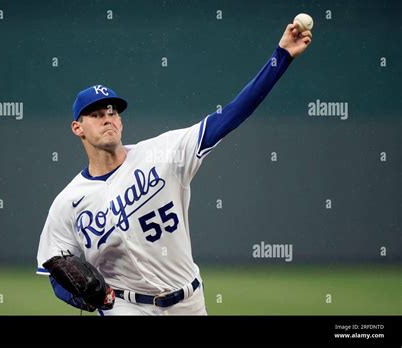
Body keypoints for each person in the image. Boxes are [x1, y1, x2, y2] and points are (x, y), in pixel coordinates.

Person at [36, 22, 312, 315]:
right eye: (96, 114)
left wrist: (281, 57)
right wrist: (85, 300)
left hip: (189, 302)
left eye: (112, 112)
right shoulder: (68, 203)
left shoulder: (163, 153)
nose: (108, 119)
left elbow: (232, 113)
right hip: (126, 306)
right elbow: (57, 271)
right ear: (77, 127)